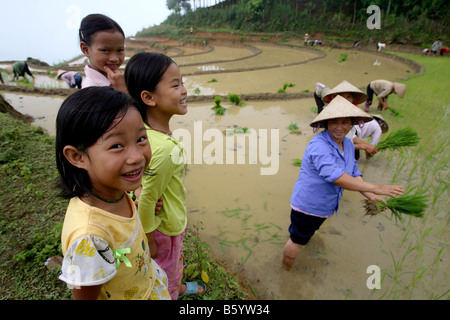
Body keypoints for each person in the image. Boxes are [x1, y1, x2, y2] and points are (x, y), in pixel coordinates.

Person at [56, 86, 170, 300]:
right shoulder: (89, 238)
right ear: (77, 157)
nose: (136, 156)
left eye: (141, 139)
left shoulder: (113, 189)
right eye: (117, 145)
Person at [282, 95, 404, 271]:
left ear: (352, 123)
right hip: (309, 206)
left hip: (325, 206)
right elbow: (337, 177)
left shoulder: (347, 144)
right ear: (326, 123)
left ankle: (296, 239)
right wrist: (376, 187)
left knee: (302, 234)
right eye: (334, 122)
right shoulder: (319, 145)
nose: (339, 127)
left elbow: (353, 173)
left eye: (345, 122)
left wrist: (372, 196)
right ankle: (285, 271)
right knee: (297, 241)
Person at [125, 52, 205, 300]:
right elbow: (148, 197)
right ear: (148, 97)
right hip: (164, 229)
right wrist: (150, 237)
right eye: (175, 85)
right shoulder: (166, 149)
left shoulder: (145, 134)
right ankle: (172, 293)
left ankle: (175, 287)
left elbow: (141, 185)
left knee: (169, 267)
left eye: (182, 82)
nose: (184, 90)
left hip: (162, 224)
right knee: (166, 271)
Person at [322, 80, 379, 158]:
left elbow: (351, 135)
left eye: (349, 97)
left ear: (353, 99)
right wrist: (364, 146)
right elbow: (339, 145)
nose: (345, 100)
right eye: (342, 97)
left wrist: (366, 145)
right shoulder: (332, 114)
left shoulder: (350, 115)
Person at [78, 14, 128, 93]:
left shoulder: (114, 80)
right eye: (105, 50)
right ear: (85, 49)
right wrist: (124, 90)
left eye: (120, 50)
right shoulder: (92, 91)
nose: (114, 59)